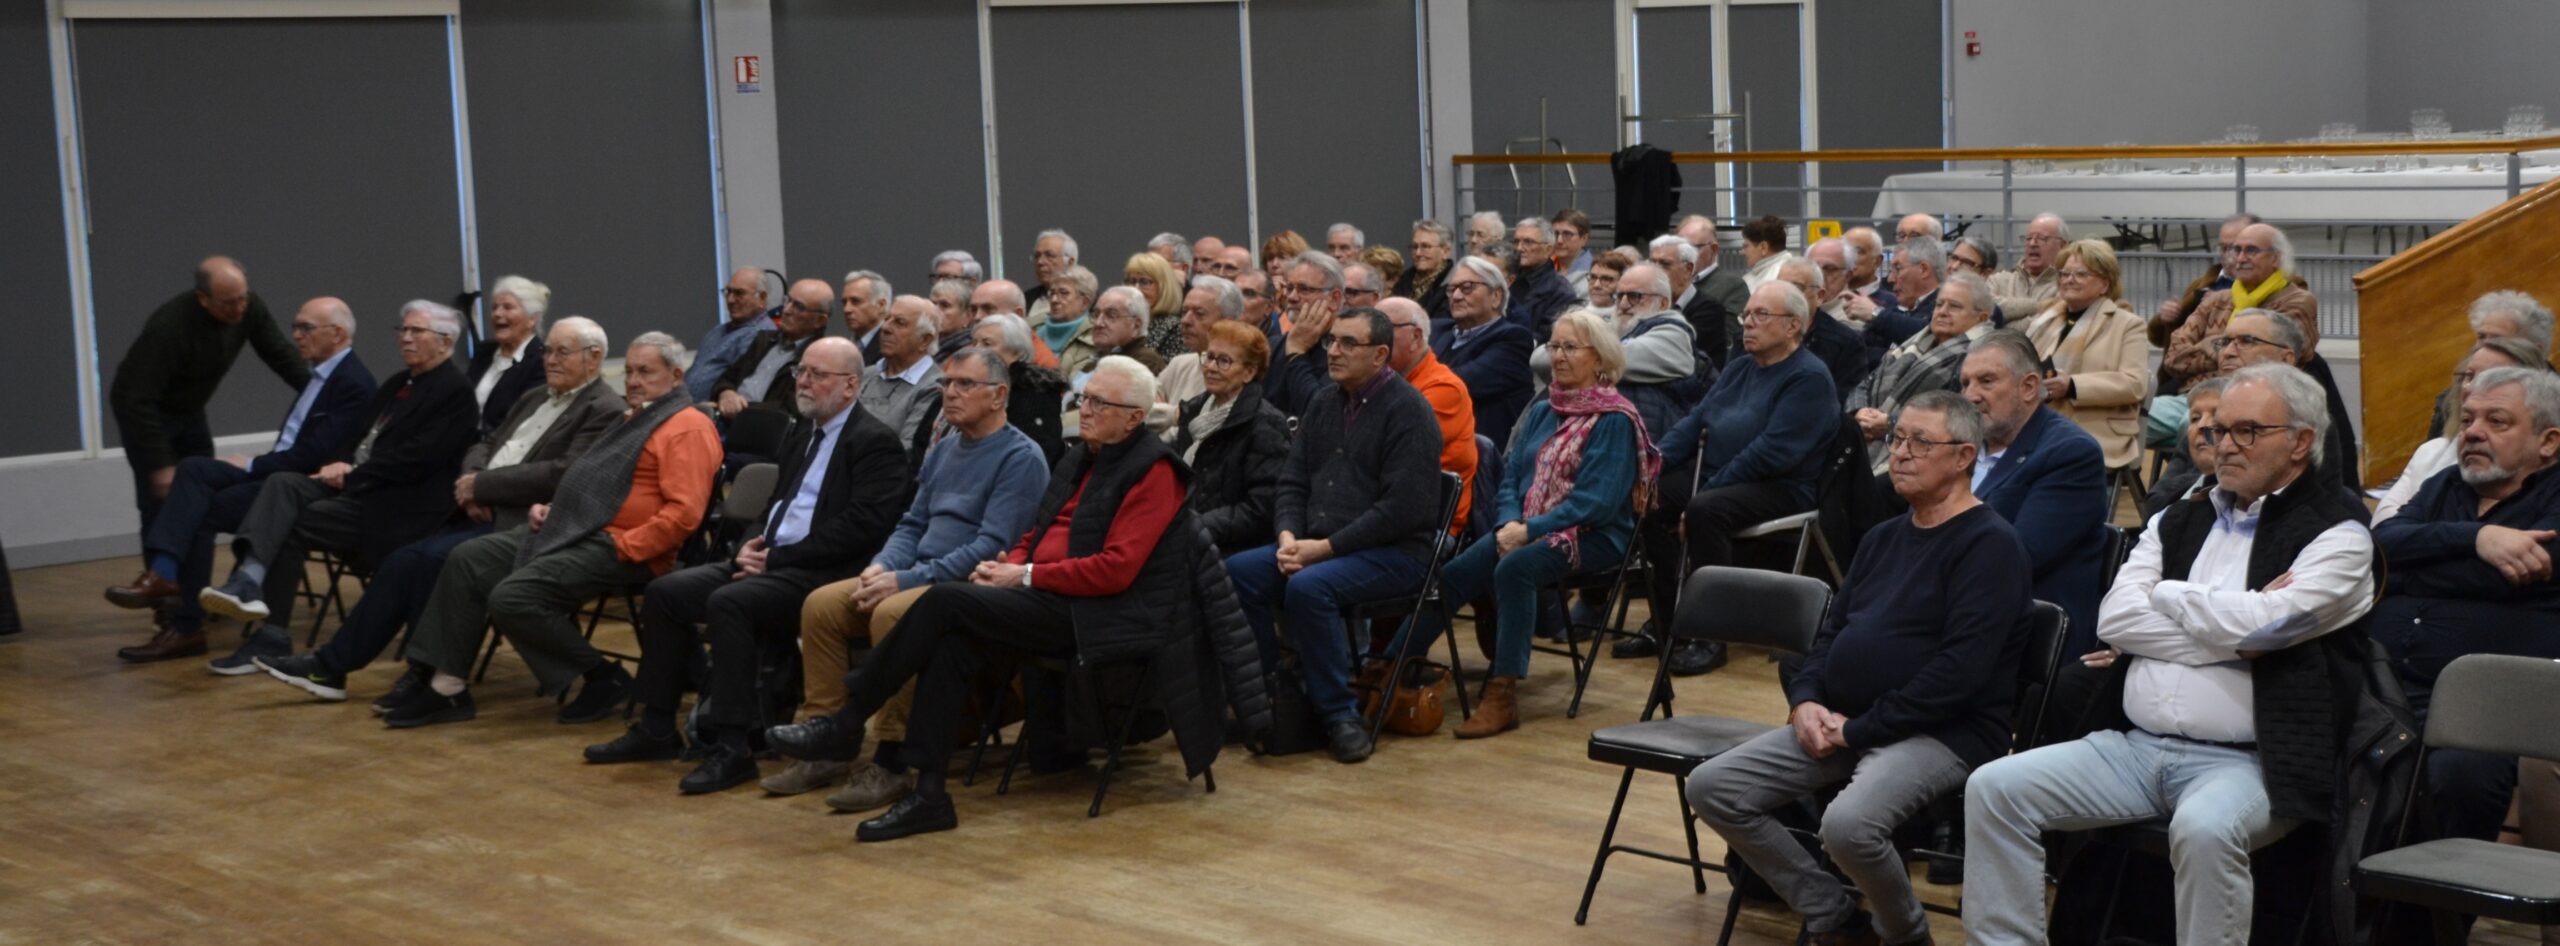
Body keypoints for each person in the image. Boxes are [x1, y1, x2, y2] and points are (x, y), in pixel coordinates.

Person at [1963, 364, 2377, 946]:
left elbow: (2266, 626)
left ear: (2301, 442)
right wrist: (2235, 637)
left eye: (2247, 431)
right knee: (1994, 788)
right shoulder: (2179, 517)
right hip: (2136, 747)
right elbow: (2116, 619)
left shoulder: (2340, 534)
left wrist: (2169, 595)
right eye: (2217, 430)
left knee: (2205, 829)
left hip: (2254, 762)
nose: (2224, 445)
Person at [764, 357, 1258, 842]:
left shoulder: (1156, 472)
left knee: (943, 603)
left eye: (1098, 403)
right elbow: (1034, 532)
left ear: (1133, 417)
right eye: (1084, 398)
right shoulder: (1081, 456)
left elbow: (1116, 570)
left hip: (1102, 613)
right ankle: (930, 796)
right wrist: (1008, 564)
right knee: (950, 640)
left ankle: (848, 719)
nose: (1084, 410)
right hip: (1045, 593)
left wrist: (1023, 574)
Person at [1692, 390, 2030, 946]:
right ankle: (1832, 913)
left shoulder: (1990, 546)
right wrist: (1805, 701)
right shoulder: (1884, 537)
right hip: (1848, 720)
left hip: (1943, 731)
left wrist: (1858, 730)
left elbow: (1959, 674)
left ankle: (1904, 934)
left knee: (1849, 825)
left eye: (1921, 442)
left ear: (1964, 456)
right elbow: (1831, 633)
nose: (1901, 453)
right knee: (1713, 786)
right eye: (1898, 438)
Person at [251, 318, 624, 703]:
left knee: (434, 560)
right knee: (403, 560)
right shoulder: (534, 396)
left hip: (523, 523)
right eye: (548, 351)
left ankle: (424, 675)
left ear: (594, 357)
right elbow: (486, 441)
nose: (550, 360)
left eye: (562, 352)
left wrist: (483, 486)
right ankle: (332, 668)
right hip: (477, 508)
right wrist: (472, 480)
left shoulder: (604, 408)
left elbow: (562, 474)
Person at [597, 337, 910, 793]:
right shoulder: (801, 432)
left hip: (823, 574)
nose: (803, 382)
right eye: (801, 372)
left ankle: (734, 748)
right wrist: (747, 548)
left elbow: (861, 529)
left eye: (817, 375)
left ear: (850, 385)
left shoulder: (875, 443)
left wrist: (777, 558)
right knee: (666, 593)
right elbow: (774, 509)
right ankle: (657, 727)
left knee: (730, 602)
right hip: (771, 561)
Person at [380, 333, 723, 729]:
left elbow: (683, 515)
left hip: (626, 547)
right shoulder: (635, 418)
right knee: (468, 558)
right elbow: (594, 485)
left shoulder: (686, 427)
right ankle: (447, 686)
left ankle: (600, 677)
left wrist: (626, 546)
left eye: (645, 372)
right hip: (578, 527)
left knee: (512, 597)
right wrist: (556, 509)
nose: (632, 381)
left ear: (677, 376)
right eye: (629, 371)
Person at [762, 346, 1049, 806]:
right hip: (916, 572)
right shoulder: (945, 448)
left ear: (999, 395)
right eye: (946, 384)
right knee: (823, 605)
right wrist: (882, 566)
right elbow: (912, 524)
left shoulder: (1021, 457)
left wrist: (906, 580)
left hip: (964, 587)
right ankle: (828, 743)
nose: (949, 393)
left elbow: (990, 547)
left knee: (891, 614)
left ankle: (892, 759)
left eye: (964, 385)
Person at [1404, 309, 1656, 736]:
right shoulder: (1544, 409)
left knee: (1515, 567)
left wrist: (1528, 531)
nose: (1558, 356)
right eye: (1554, 346)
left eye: (1570, 347)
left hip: (1597, 535)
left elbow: (1595, 504)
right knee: (1456, 572)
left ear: (1600, 358)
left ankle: (1502, 693)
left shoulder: (1615, 418)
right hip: (1528, 526)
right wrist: (1509, 524)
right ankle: (1391, 666)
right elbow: (1511, 479)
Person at [194, 301, 480, 670]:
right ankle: (248, 580)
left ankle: (271, 635)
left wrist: (353, 474)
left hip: (397, 506)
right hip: (358, 487)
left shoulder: (455, 392)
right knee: (283, 482)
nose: (405, 338)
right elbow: (353, 434)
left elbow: (417, 459)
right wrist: (339, 462)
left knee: (289, 524)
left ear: (445, 342)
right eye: (403, 330)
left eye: (416, 331)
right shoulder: (398, 383)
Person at [107, 297, 377, 663]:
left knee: (197, 500)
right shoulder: (319, 376)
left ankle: (181, 613)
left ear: (338, 333)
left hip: (298, 488)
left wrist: (250, 464)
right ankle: (167, 583)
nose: (296, 336)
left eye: (306, 328)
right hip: (278, 476)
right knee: (194, 471)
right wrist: (253, 464)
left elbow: (311, 457)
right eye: (295, 327)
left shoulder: (354, 383)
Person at [1227, 308, 1441, 765]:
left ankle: (1339, 714)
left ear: (1380, 355)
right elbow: (1292, 481)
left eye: (1348, 343)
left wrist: (1325, 549)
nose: (1333, 352)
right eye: (1331, 341)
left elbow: (1403, 510)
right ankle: (1270, 696)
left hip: (1395, 553)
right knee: (1238, 572)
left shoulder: (1409, 411)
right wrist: (1287, 535)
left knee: (1310, 586)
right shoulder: (1325, 401)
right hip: (1319, 545)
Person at [2370, 367, 2560, 843]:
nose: (2472, 431)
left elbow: (2501, 579)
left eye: (2496, 421)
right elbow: (2380, 548)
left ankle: (2439, 892)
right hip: (2390, 688)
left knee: (2462, 773)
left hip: (2494, 706)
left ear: (2548, 442)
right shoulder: (2445, 486)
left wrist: (2415, 566)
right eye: (2469, 418)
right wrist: (2477, 538)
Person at [1635, 282, 1839, 676]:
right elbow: (1695, 422)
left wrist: (1705, 492)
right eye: (1747, 314)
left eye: (1761, 315)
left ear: (1793, 325)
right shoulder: (1742, 366)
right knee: (1649, 498)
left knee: (1704, 510)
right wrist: (1651, 466)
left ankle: (1713, 636)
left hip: (1783, 486)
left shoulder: (1808, 378)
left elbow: (1770, 453)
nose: (1748, 322)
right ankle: (1669, 618)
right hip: (1723, 476)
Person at [110, 256, 310, 539]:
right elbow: (136, 399)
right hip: (147, 414)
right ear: (203, 299)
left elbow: (280, 354)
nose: (239, 308)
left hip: (190, 411)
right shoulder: (169, 328)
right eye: (228, 303)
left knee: (202, 490)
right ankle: (161, 566)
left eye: (243, 298)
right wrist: (160, 464)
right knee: (161, 500)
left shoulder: (248, 307)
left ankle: (197, 568)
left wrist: (320, 390)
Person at [1960, 331, 2110, 648]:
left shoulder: (2071, 453)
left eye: (1986, 381)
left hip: (2016, 632)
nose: (1970, 395)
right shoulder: (1959, 446)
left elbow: (2016, 558)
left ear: (2028, 387)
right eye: (1965, 383)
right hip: (1956, 611)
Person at [2379, 337, 2555, 522]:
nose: (2472, 387)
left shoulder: (2549, 493)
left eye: (2494, 377)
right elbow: (2386, 528)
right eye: (2469, 376)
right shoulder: (2442, 473)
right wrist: (2480, 535)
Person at [2018, 239, 2151, 472]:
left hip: (2095, 432)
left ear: (2105, 283)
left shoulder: (2128, 325)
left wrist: (2072, 386)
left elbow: (2135, 384)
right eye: (2064, 273)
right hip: (2041, 423)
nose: (2069, 280)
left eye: (2081, 274)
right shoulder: (2044, 321)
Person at [1851, 271, 1995, 475]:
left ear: (1981, 318)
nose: (1942, 312)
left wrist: (1891, 424)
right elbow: (1867, 382)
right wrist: (1860, 411)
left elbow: (1959, 415)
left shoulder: (1980, 356)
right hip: (1868, 441)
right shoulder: (1914, 342)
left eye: (1954, 306)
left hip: (1922, 461)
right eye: (1939, 304)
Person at [2209, 308, 2363, 492]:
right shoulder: (2205, 406)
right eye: (2225, 342)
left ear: (2286, 358)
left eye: (2246, 341)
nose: (2228, 352)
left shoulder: (2303, 415)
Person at [1173, 322, 1290, 557]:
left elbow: (1261, 508)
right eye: (1209, 357)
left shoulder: (1266, 425)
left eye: (1224, 361)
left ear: (1249, 372)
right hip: (1184, 528)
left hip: (1227, 544)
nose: (1211, 367)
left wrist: (1196, 526)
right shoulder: (1194, 411)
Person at [2160, 222, 2315, 394]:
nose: (2240, 259)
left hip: (2259, 396)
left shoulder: (2296, 301)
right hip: (2192, 396)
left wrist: (2208, 344)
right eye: (2237, 250)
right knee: (2154, 408)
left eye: (2251, 250)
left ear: (2275, 258)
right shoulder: (2217, 299)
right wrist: (2242, 348)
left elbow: (2273, 361)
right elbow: (2173, 359)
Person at [1380, 298, 1479, 533]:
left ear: (1416, 337)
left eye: (1383, 328)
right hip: (1381, 506)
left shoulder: (1444, 388)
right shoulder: (1377, 381)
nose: (1371, 337)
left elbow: (1390, 454)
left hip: (1424, 525)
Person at [1428, 256, 1536, 451]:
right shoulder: (1435, 330)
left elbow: (1456, 385)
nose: (1456, 296)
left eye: (1467, 287)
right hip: (1432, 442)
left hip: (1481, 455)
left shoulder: (1513, 339)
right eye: (1451, 289)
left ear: (1496, 296)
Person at [710, 278, 832, 421]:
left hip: (761, 426)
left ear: (819, 321)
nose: (786, 310)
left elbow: (791, 410)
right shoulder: (764, 340)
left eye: (798, 307)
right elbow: (727, 378)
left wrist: (739, 408)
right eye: (787, 300)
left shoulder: (818, 359)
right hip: (728, 417)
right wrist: (726, 394)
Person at [2147, 214, 2261, 352]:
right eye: (2222, 247)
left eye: (2234, 248)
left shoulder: (2273, 288)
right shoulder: (2202, 284)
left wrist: (2222, 304)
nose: (2227, 254)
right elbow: (2158, 338)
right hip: (2191, 361)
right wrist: (2167, 317)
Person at [967, 313, 1067, 465]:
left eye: (987, 344)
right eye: (974, 343)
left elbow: (1034, 458)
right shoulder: (967, 386)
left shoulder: (1036, 396)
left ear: (1016, 353)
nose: (976, 350)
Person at [855, 295, 944, 461]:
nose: (885, 328)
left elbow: (906, 452)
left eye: (899, 323)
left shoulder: (933, 387)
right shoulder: (866, 374)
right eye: (887, 319)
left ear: (924, 340)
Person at [1776, 257, 1870, 401]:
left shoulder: (1846, 344)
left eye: (1797, 289)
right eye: (1780, 288)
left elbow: (1848, 402)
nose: (1786, 296)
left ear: (1819, 297)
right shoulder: (1757, 334)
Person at [1151, 275, 1245, 417]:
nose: (1185, 321)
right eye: (1184, 312)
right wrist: (1176, 414)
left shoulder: (1236, 372)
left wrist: (1167, 414)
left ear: (1227, 322)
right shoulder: (1179, 364)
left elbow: (1204, 426)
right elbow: (1139, 410)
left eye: (1199, 314)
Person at [1267, 251, 1348, 415]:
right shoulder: (1274, 345)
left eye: (1304, 289)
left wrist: (1296, 353)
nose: (1292, 297)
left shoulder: (1347, 350)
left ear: (1334, 298)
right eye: (1289, 288)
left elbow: (1318, 412)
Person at [469, 275, 550, 437]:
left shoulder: (542, 362)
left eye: (507, 307)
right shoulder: (484, 352)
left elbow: (522, 422)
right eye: (494, 307)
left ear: (531, 319)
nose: (497, 314)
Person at [2144, 377, 2229, 518]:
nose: (2202, 425)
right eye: (2195, 418)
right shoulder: (2187, 444)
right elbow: (2156, 500)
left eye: (2216, 416)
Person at [691, 266, 775, 403]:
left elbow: (741, 388)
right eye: (728, 292)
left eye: (739, 293)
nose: (730, 300)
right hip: (688, 408)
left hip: (714, 411)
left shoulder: (761, 336)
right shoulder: (717, 331)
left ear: (762, 298)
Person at [1864, 238, 1944, 363]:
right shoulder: (1896, 308)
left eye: (1898, 268)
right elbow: (1859, 351)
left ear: (1923, 270)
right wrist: (1889, 356)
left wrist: (1876, 313)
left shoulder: (1945, 308)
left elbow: (1927, 334)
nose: (1890, 279)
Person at [1507, 217, 1578, 339]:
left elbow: (1548, 336)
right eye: (1516, 241)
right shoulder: (1506, 279)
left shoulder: (1561, 292)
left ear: (1548, 250)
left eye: (1528, 242)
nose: (1519, 248)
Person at [1987, 214, 2069, 317]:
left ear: (2062, 245)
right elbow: (1984, 310)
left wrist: (2004, 322)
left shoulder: (2067, 286)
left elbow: (2045, 324)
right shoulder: (1999, 281)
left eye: (2042, 238)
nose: (2032, 243)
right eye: (2028, 238)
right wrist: (2038, 306)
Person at [1807, 237, 1882, 330]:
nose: (1819, 275)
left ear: (1847, 276)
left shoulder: (1852, 320)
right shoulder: (1796, 308)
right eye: (1813, 267)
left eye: (1829, 269)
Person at [1123, 250, 1187, 356]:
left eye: (1144, 282)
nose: (1136, 289)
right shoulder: (1123, 323)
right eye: (1132, 281)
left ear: (1163, 286)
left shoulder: (1174, 329)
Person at [1042, 266, 1100, 379]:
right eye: (1052, 293)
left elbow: (1073, 385)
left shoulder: (1094, 338)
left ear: (1084, 302)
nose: (1054, 300)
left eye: (1063, 293)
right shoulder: (1033, 328)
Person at [1395, 219, 1455, 321]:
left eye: (1425, 247)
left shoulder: (1453, 284)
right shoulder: (1403, 280)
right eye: (1415, 247)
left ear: (1445, 252)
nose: (1418, 253)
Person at [1024, 228, 1078, 325]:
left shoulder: (1087, 298)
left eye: (1049, 256)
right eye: (1037, 256)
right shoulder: (1026, 299)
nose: (1040, 262)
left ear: (1070, 263)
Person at [841, 270, 893, 364]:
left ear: (881, 305)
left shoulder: (891, 348)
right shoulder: (844, 348)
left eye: (856, 301)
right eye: (844, 302)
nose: (847, 309)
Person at [1738, 214, 1797, 292]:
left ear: (1763, 247)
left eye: (1746, 246)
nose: (1742, 252)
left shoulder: (1778, 278)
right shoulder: (1793, 271)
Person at [1844, 226, 1896, 310]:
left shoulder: (1892, 302)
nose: (1849, 257)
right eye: (1845, 251)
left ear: (1877, 261)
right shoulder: (1828, 297)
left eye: (1858, 252)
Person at [1551, 208, 1596, 302]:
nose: (1559, 240)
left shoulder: (1594, 273)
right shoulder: (1544, 266)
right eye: (1555, 234)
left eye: (1567, 234)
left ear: (1584, 238)